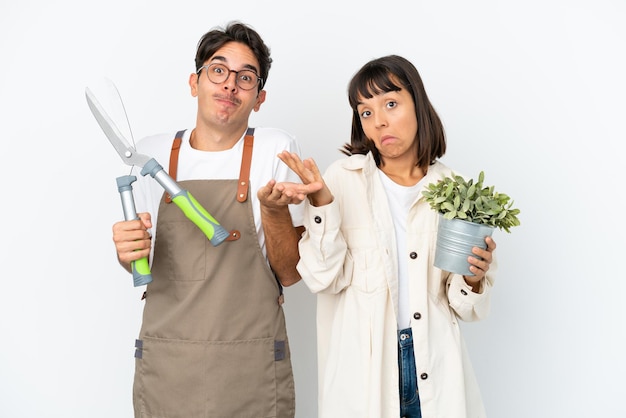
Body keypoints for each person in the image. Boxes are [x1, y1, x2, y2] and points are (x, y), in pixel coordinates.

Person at [277, 55, 497, 418]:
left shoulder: (454, 190)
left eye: (391, 104)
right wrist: (322, 204)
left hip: (434, 367)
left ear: (419, 105)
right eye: (366, 112)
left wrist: (474, 275)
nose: (378, 121)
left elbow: (466, 308)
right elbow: (321, 278)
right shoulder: (341, 180)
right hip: (363, 372)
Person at [111, 21, 308, 418]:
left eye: (246, 77)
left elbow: (290, 272)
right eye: (218, 70)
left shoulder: (276, 149)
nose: (230, 85)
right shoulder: (152, 154)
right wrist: (126, 250)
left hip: (249, 366)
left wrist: (272, 210)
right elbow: (142, 264)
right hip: (169, 364)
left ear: (260, 97)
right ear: (194, 82)